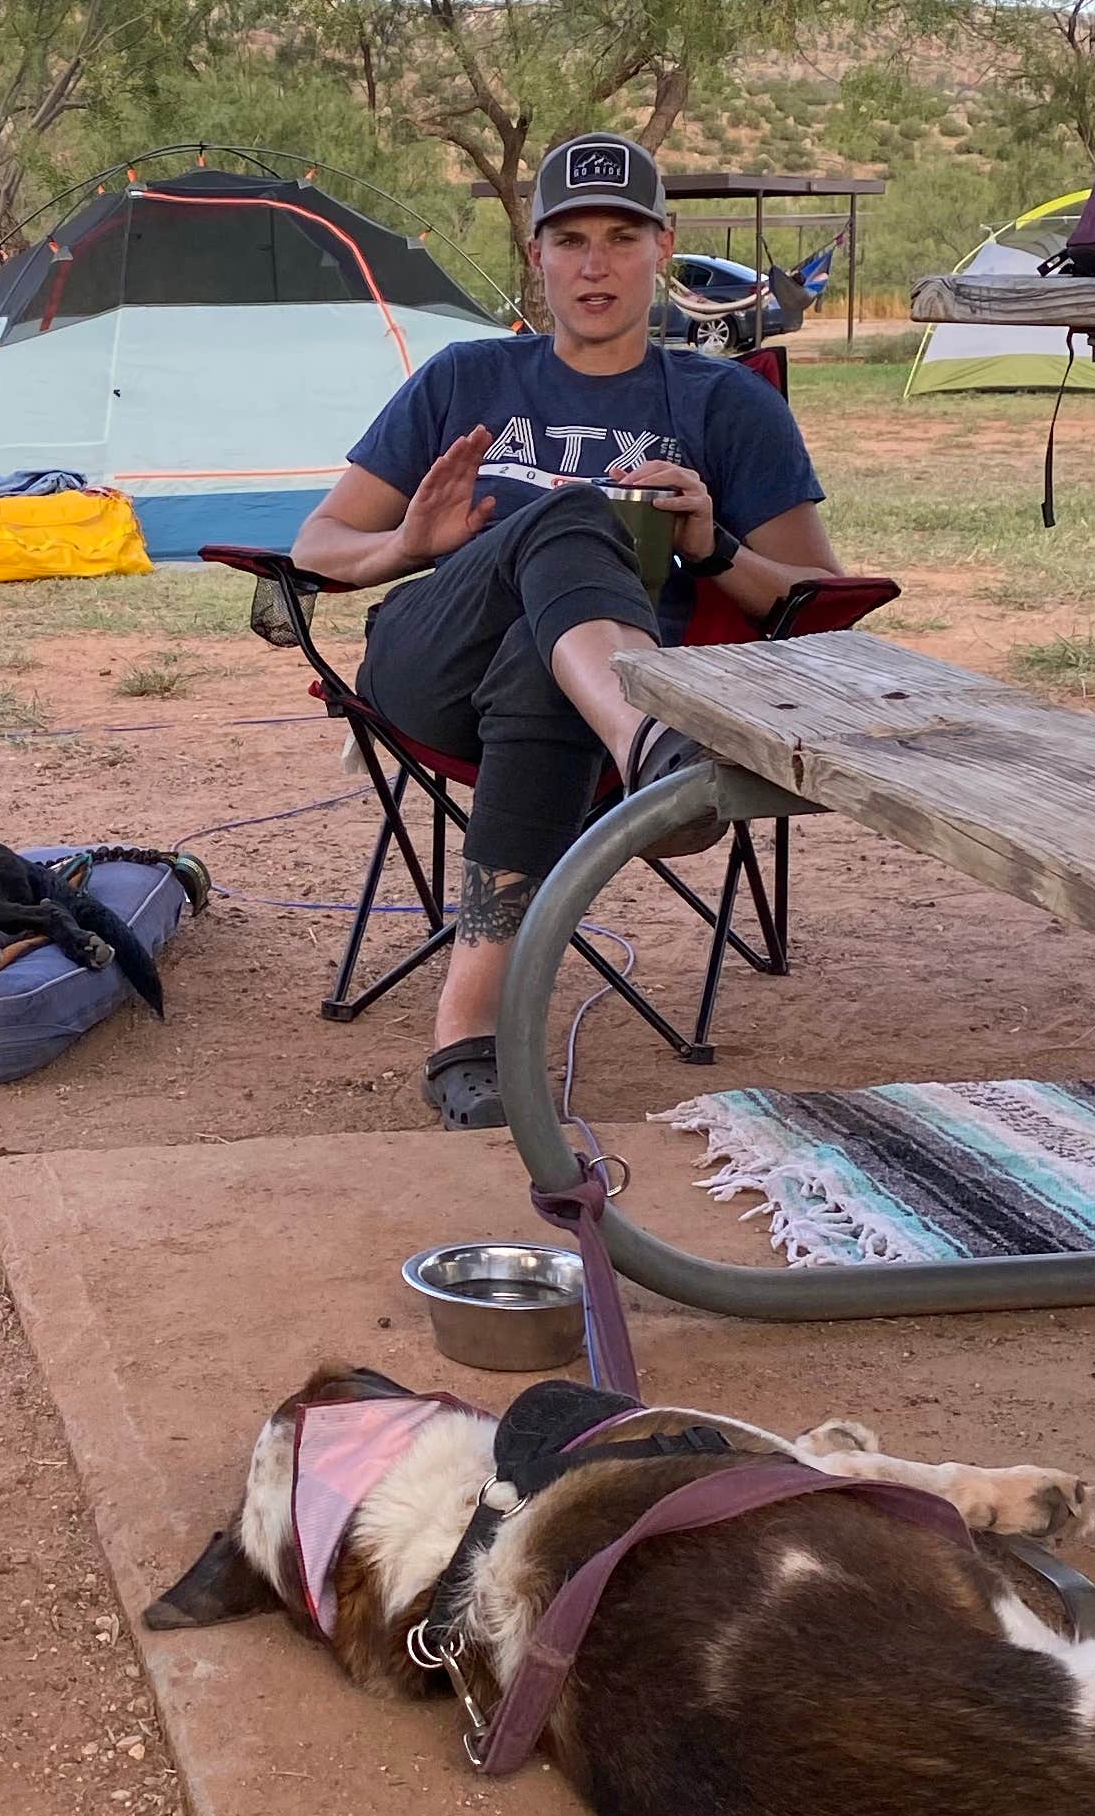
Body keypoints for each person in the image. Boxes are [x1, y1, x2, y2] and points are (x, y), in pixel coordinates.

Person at [289, 134, 843, 1128]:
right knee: (573, 512)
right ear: (535, 254)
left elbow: (817, 597)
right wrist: (410, 542)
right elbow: (321, 545)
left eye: (622, 237)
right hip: (430, 667)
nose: (595, 264)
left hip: (559, 706)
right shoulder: (466, 378)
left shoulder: (723, 403)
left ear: (663, 246)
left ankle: (469, 1025)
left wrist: (712, 547)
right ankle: (657, 755)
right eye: (571, 239)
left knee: (542, 675)